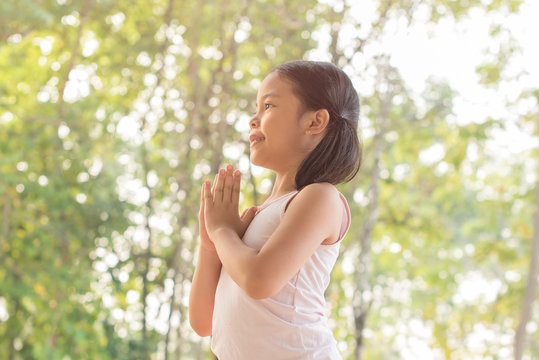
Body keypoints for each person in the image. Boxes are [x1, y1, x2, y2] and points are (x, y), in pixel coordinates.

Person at [189, 60, 362, 359]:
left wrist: (222, 232)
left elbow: (258, 280)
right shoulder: (258, 218)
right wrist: (211, 245)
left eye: (268, 105)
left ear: (314, 122)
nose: (253, 120)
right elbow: (204, 322)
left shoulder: (320, 197)